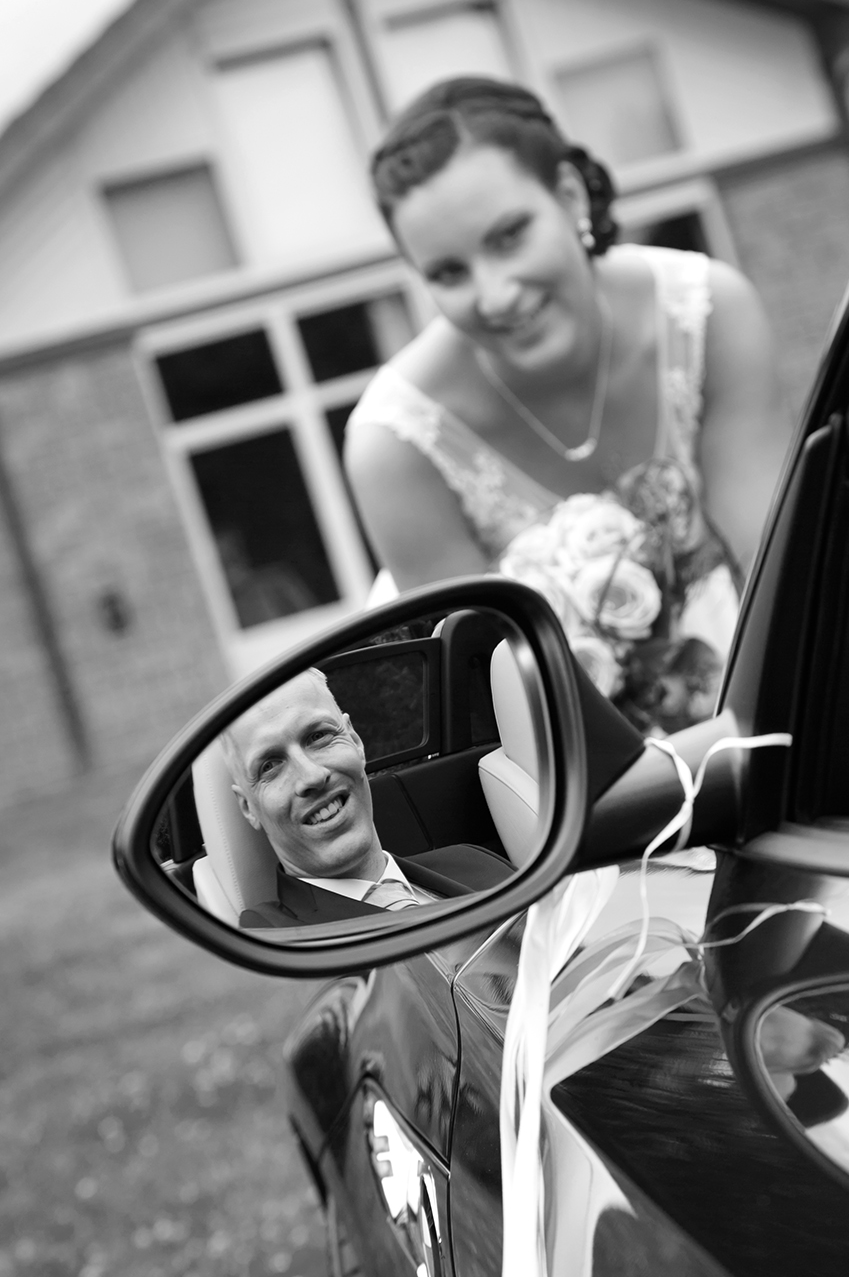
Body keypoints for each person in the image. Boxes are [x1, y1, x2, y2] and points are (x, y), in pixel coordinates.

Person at [345, 77, 789, 733]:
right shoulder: (395, 445)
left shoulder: (708, 312)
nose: (494, 295)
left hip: (755, 698)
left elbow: (777, 570)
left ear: (570, 196)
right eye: (448, 273)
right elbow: (490, 702)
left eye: (508, 236)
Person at [221, 668, 513, 927]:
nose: (311, 776)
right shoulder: (269, 946)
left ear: (356, 742)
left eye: (318, 736)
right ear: (248, 808)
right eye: (270, 766)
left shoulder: (473, 861)